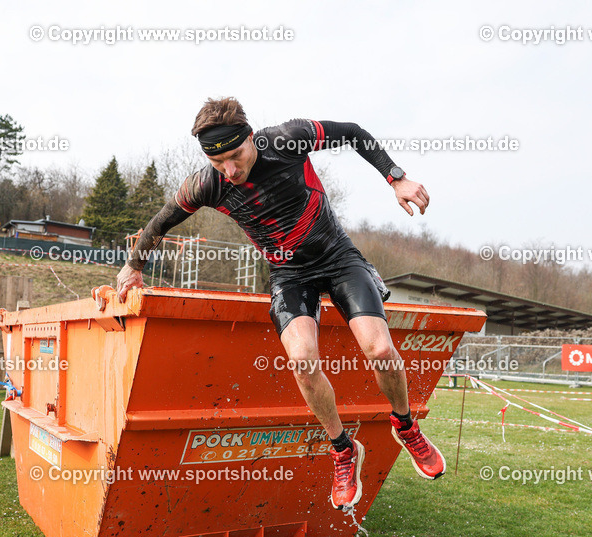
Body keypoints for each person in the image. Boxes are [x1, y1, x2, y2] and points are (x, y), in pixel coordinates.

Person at [116, 97, 443, 511]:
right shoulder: (207, 184)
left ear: (251, 138)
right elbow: (161, 220)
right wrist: (133, 266)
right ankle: (343, 450)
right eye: (219, 164)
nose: (230, 171)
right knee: (303, 362)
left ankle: (405, 426)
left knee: (379, 348)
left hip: (338, 258)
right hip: (289, 274)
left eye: (235, 156)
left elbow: (354, 133)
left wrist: (395, 177)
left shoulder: (288, 139)